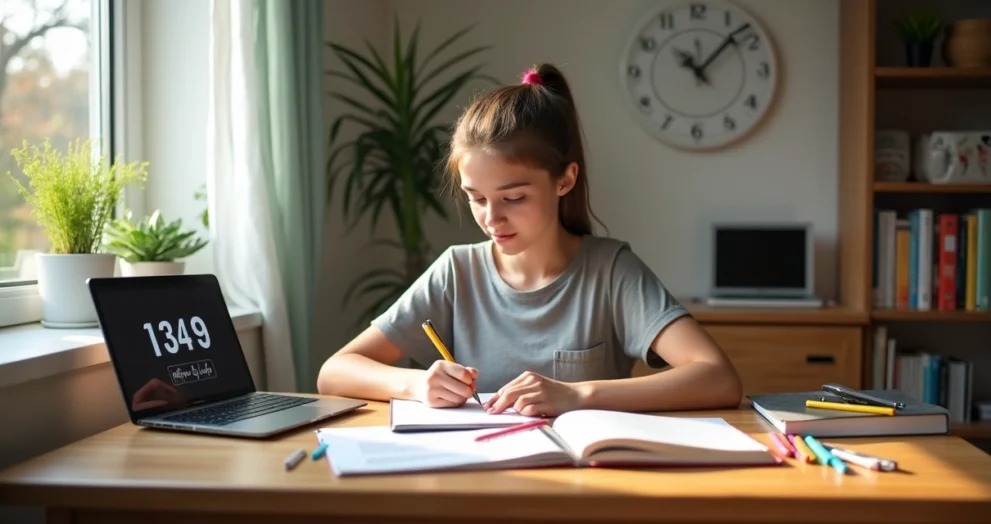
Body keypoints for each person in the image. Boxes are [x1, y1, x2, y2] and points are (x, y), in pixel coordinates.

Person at [317, 63, 742, 417]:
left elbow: (718, 378)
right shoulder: (456, 271)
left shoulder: (611, 271)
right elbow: (335, 371)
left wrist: (578, 395)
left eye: (513, 197)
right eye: (476, 198)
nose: (491, 218)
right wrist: (416, 384)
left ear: (565, 180)